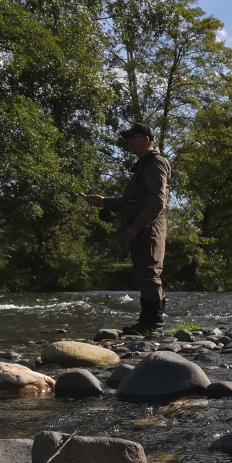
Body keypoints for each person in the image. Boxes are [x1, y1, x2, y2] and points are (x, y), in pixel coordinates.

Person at [83, 123, 171, 336]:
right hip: (141, 225)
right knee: (143, 273)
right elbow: (132, 202)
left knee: (150, 273)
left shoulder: (156, 163)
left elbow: (158, 201)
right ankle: (146, 321)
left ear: (147, 140)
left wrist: (137, 226)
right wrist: (105, 202)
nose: (129, 141)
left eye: (133, 137)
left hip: (150, 225)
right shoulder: (143, 166)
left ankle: (153, 324)